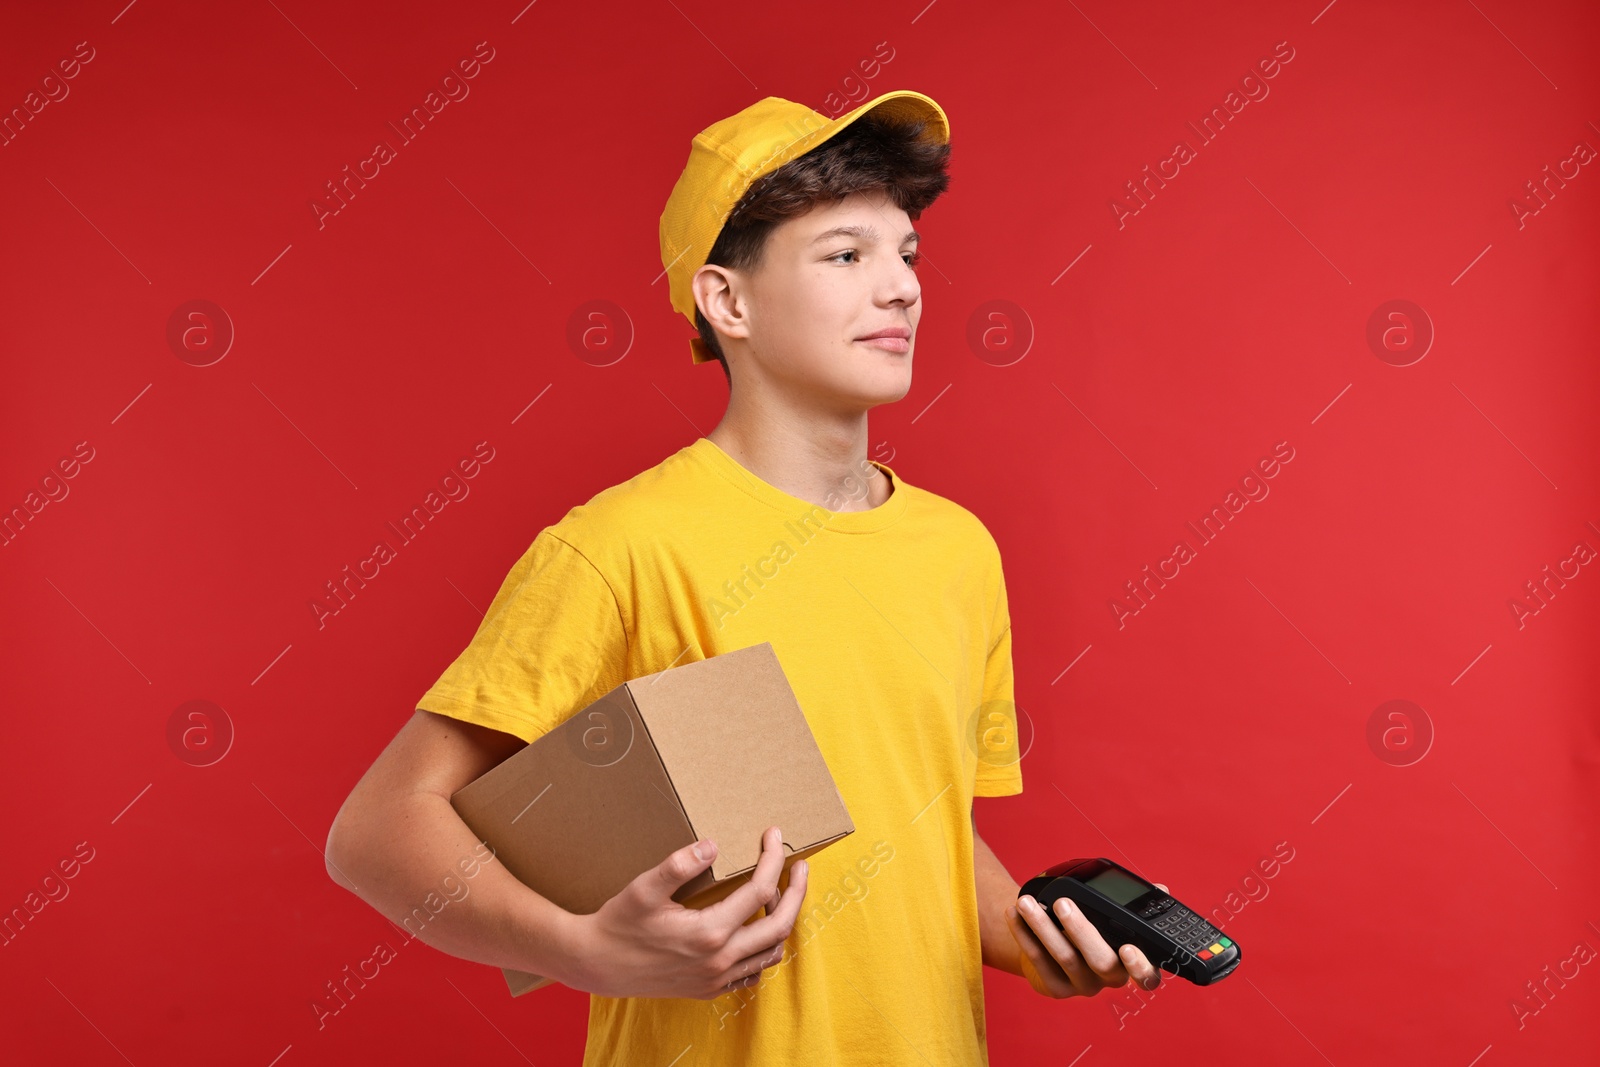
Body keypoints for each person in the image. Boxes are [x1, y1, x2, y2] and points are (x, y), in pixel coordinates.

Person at [324, 88, 1165, 1066]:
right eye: (845, 255)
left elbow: (917, 831)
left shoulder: (957, 549)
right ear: (727, 300)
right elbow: (377, 831)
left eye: (905, 254)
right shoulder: (625, 545)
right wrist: (585, 947)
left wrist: (1029, 937)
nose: (899, 287)